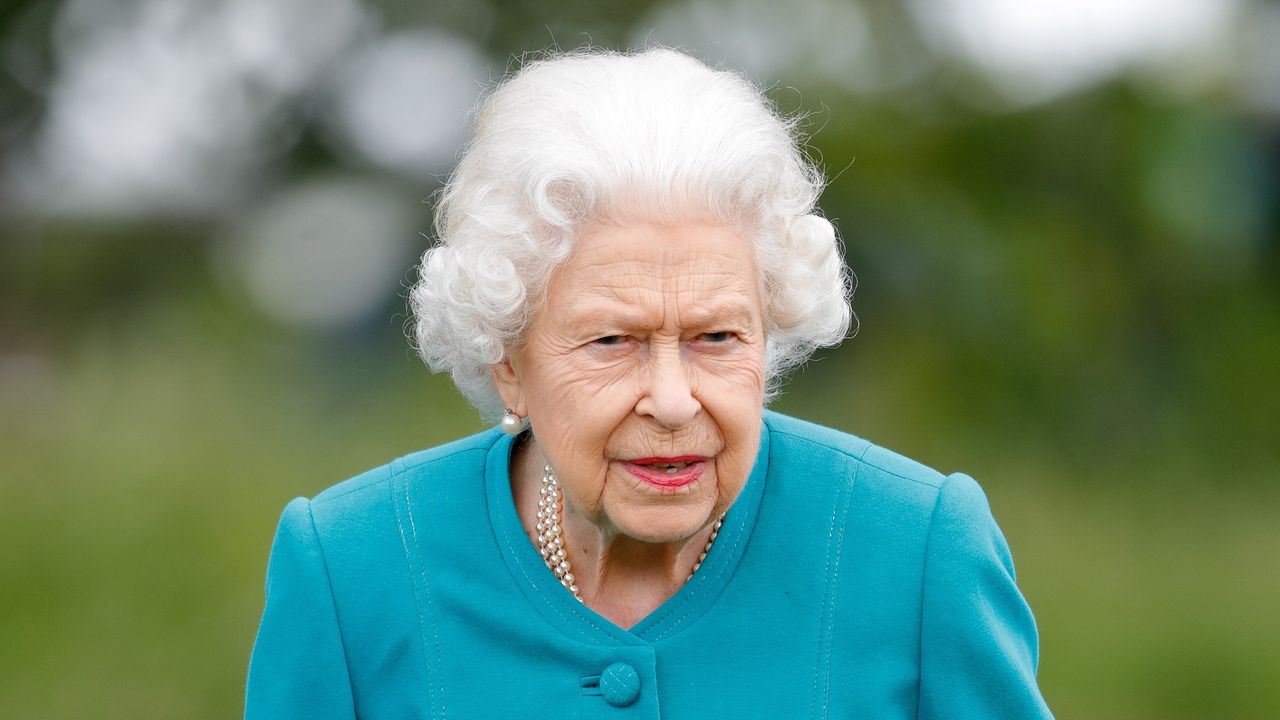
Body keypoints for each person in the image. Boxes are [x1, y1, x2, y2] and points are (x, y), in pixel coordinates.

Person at [244, 48, 1054, 719]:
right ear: (507, 362)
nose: (673, 401)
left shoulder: (917, 549)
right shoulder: (351, 569)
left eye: (715, 338)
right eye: (612, 341)